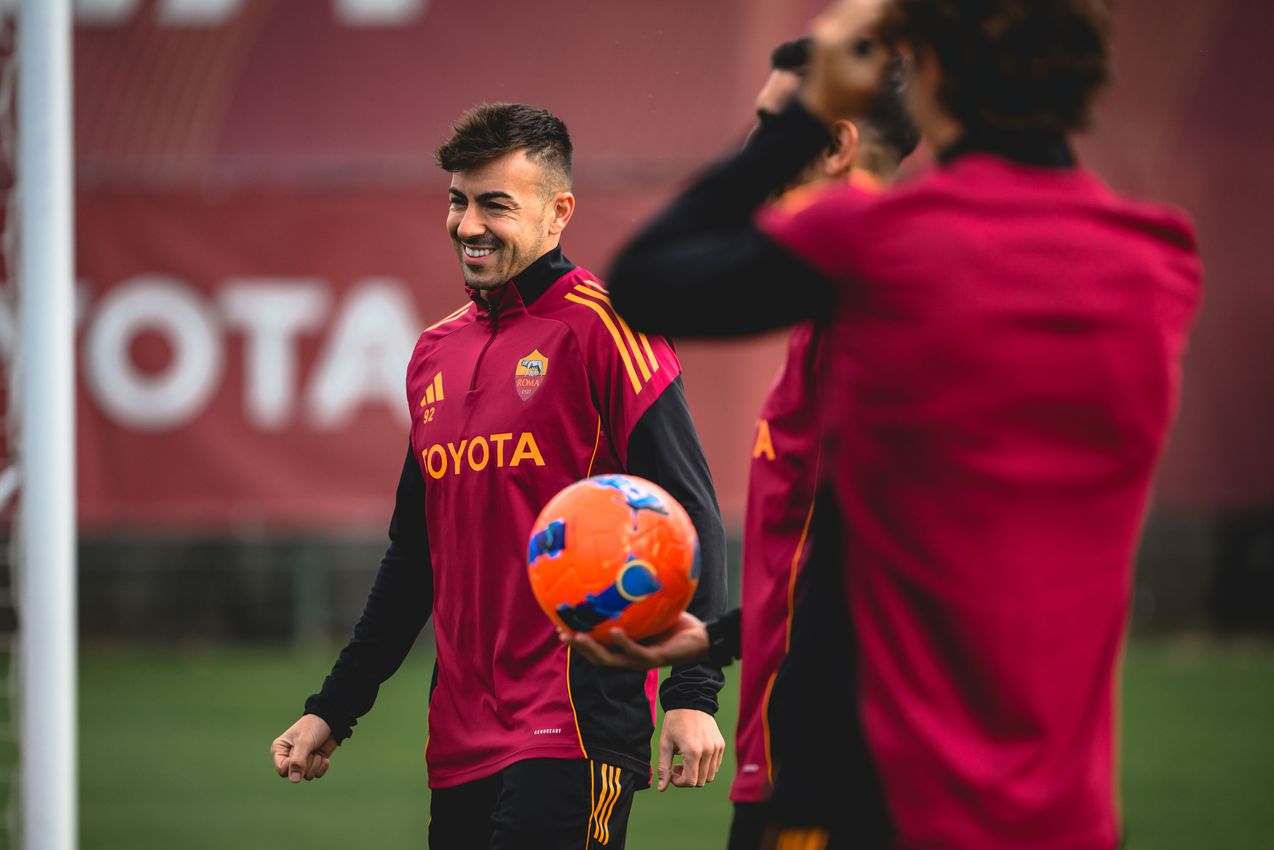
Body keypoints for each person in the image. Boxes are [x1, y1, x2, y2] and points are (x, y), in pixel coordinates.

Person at [573, 1, 1203, 848]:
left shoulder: (880, 244)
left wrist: (797, 120)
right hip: (1066, 812)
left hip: (876, 799)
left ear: (932, 71)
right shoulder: (1158, 260)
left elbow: (645, 281)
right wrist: (724, 637)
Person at [270, 103, 728, 850]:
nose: (468, 224)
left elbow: (692, 513)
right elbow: (416, 557)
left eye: (495, 204)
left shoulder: (609, 326)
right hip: (459, 736)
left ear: (558, 214)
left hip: (575, 717)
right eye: (458, 200)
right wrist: (335, 707)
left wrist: (691, 694)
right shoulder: (431, 354)